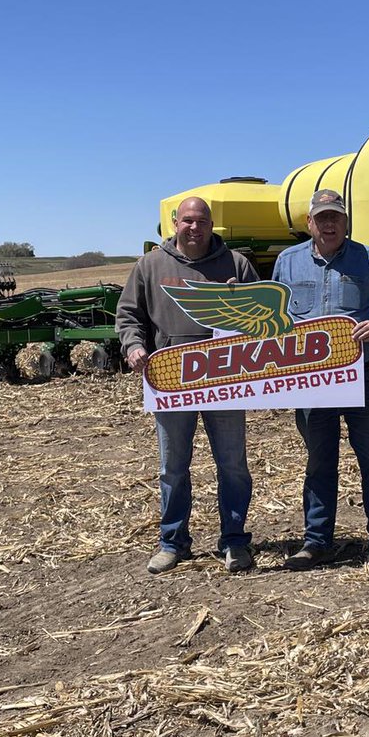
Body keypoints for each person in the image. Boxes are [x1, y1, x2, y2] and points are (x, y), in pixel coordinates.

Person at [271, 189, 369, 575]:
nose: (329, 224)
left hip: (361, 378)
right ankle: (317, 543)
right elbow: (274, 323)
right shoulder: (287, 263)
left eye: (336, 217)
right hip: (312, 384)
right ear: (309, 223)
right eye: (322, 218)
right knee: (319, 463)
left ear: (346, 222)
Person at [116, 196, 259, 575]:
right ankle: (172, 541)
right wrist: (133, 347)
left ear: (213, 226)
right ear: (174, 223)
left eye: (202, 222)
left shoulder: (237, 265)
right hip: (171, 380)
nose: (194, 228)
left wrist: (239, 308)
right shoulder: (150, 266)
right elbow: (128, 314)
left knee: (232, 465)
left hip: (225, 380)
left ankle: (234, 541)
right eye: (187, 221)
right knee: (172, 467)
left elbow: (260, 319)